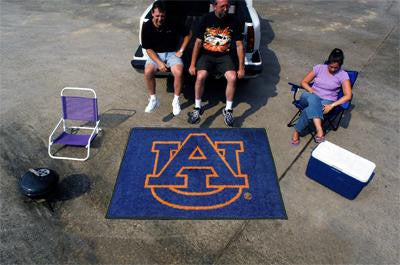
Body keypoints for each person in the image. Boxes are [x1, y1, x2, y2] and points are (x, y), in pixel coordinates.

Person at [187, 0, 245, 127]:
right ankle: (197, 108)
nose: (225, 9)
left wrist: (241, 68)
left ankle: (228, 110)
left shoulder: (234, 21)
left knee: (232, 77)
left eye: (227, 6)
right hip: (206, 55)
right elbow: (197, 43)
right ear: (214, 6)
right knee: (200, 76)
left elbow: (240, 46)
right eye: (222, 6)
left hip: (225, 56)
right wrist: (192, 64)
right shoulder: (205, 19)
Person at [291, 48, 352, 145]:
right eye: (331, 66)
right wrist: (311, 90)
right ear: (328, 62)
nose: (332, 69)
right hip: (308, 96)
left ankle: (296, 132)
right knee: (313, 98)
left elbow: (348, 96)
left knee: (309, 110)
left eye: (335, 68)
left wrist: (332, 105)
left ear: (340, 65)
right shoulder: (319, 68)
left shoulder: (343, 75)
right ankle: (319, 129)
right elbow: (304, 82)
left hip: (327, 101)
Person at [141, 1, 192, 115]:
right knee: (148, 71)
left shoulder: (172, 22)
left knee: (178, 72)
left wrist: (181, 50)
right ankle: (153, 99)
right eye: (157, 15)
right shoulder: (147, 26)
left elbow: (188, 34)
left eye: (162, 16)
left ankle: (175, 101)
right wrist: (159, 63)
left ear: (165, 14)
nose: (160, 18)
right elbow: (148, 49)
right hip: (155, 54)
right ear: (152, 14)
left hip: (172, 53)